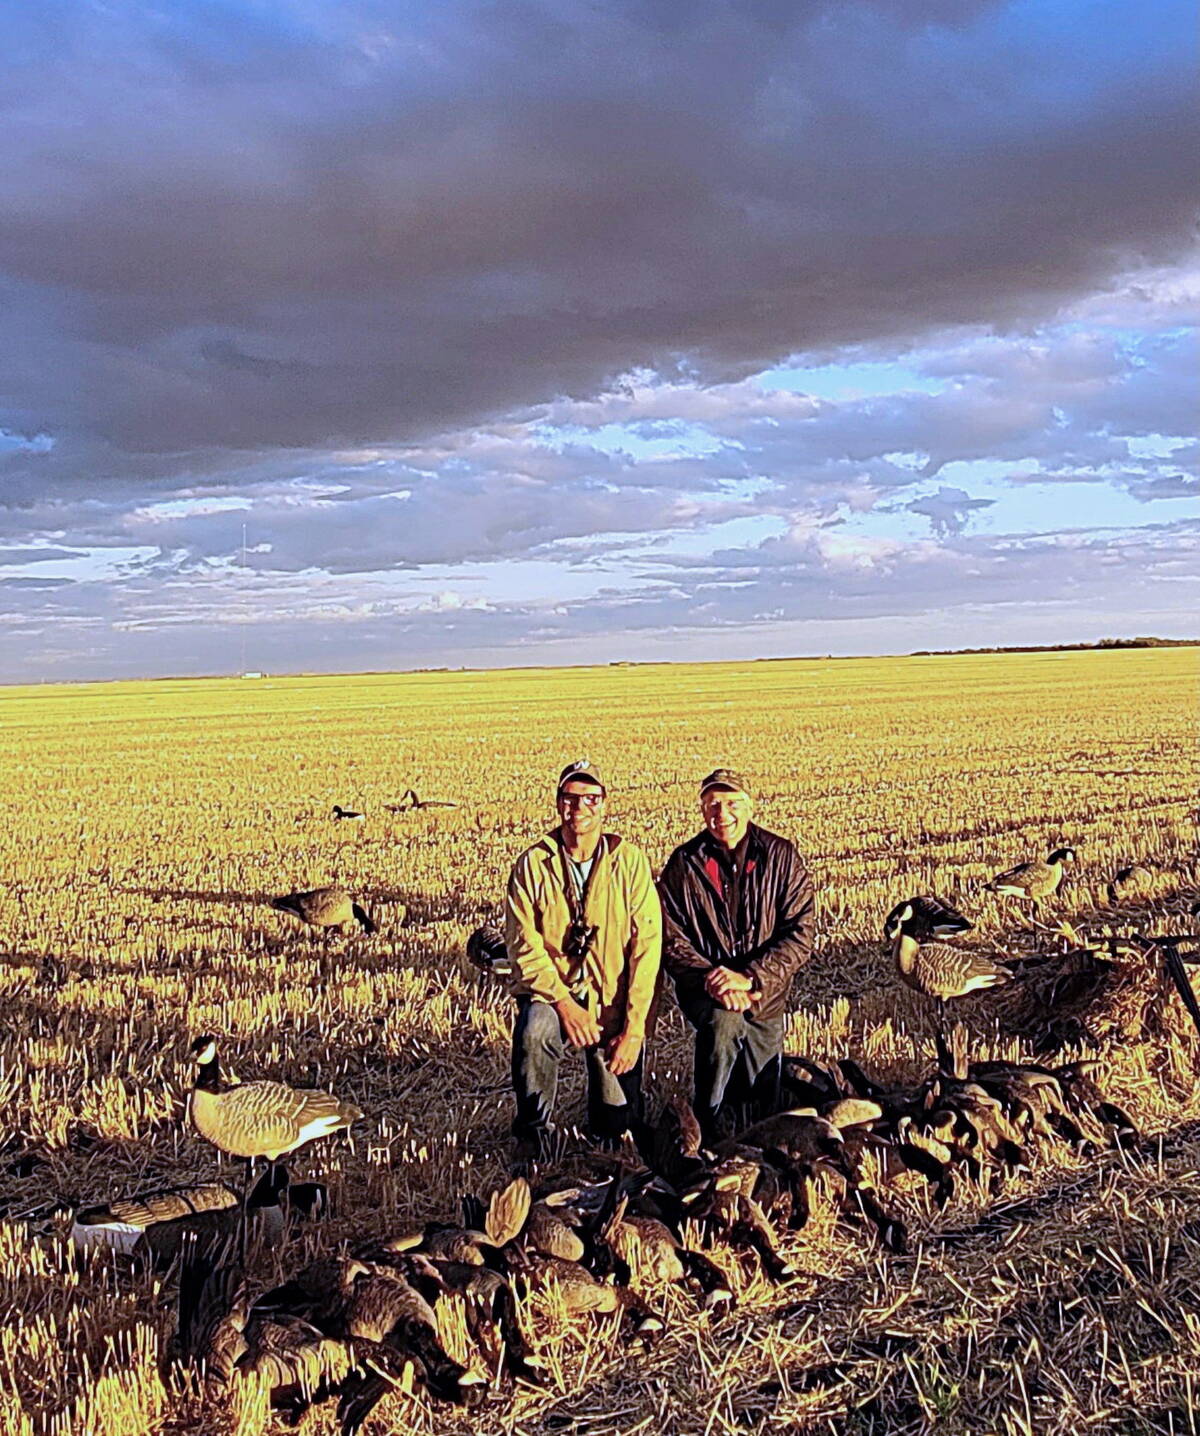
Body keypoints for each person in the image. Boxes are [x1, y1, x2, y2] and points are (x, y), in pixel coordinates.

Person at [505, 760, 662, 1157]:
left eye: (590, 799)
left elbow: (647, 950)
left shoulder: (629, 863)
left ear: (604, 805)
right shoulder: (532, 865)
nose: (580, 808)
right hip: (554, 995)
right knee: (535, 1029)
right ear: (558, 804)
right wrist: (564, 1004)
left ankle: (615, 1124)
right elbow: (524, 947)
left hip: (609, 998)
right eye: (570, 799)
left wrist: (635, 1030)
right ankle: (534, 1135)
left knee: (615, 1132)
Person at [659, 769, 815, 1142]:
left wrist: (750, 977)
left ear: (750, 806)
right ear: (702, 810)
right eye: (713, 804)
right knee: (724, 1025)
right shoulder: (685, 863)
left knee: (762, 1102)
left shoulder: (780, 855)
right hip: (707, 989)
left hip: (765, 992)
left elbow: (801, 933)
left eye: (731, 803)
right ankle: (706, 1128)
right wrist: (714, 980)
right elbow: (669, 938)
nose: (722, 813)